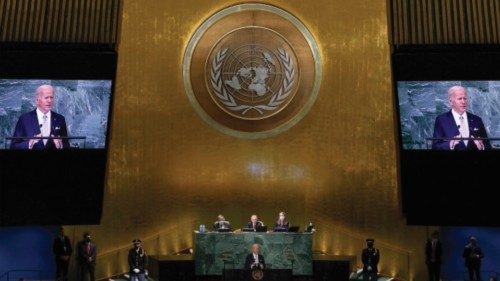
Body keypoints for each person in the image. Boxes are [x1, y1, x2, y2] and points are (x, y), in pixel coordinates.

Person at [10, 85, 69, 150]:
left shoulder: (60, 119)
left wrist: (60, 145)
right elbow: (14, 146)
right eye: (46, 97)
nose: (49, 101)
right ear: (37, 100)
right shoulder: (24, 119)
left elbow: (66, 145)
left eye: (51, 97)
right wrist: (29, 143)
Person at [432, 86, 491, 150]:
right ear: (451, 101)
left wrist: (482, 146)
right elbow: (435, 147)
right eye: (460, 99)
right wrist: (450, 144)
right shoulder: (441, 120)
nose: (463, 102)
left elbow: (487, 145)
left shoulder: (477, 120)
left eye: (465, 98)